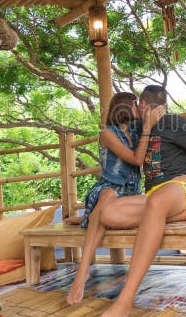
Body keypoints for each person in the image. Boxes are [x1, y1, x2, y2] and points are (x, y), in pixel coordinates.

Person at [92, 85, 186, 317]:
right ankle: (184, 216)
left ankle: (125, 300)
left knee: (155, 202)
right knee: (108, 212)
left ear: (143, 104)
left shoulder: (172, 122)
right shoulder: (142, 129)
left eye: (136, 104)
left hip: (180, 190)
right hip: (155, 199)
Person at [65, 92, 163, 305]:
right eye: (136, 104)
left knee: (156, 200)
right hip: (108, 188)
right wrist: (146, 128)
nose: (139, 107)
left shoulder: (137, 131)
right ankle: (82, 273)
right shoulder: (108, 134)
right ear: (125, 107)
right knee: (108, 196)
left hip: (131, 193)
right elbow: (137, 160)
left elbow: (156, 124)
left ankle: (85, 218)